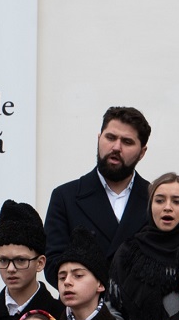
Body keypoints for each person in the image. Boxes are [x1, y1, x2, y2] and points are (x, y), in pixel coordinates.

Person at [43, 105, 152, 256]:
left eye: (127, 142)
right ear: (99, 138)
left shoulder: (157, 200)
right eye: (110, 138)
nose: (116, 147)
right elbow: (53, 261)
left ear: (142, 152)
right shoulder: (65, 198)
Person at [108, 172, 179, 320]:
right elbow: (113, 308)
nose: (167, 207)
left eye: (177, 202)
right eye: (159, 200)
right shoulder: (129, 252)